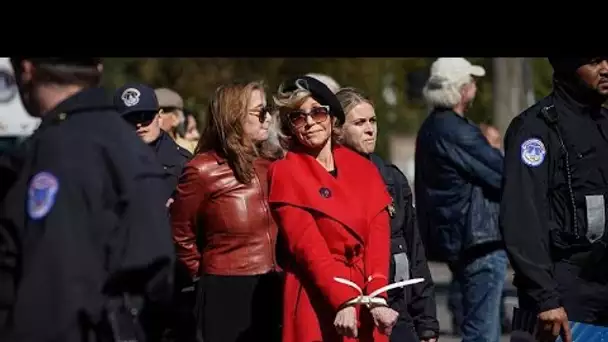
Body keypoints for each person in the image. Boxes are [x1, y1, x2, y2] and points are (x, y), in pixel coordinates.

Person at [0, 58, 174, 341]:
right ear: (99, 70)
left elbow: (51, 297)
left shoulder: (58, 152)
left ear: (27, 70)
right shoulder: (130, 146)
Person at [268, 75, 399, 342]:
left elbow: (378, 234)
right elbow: (307, 247)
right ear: (289, 126)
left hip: (365, 293)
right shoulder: (285, 172)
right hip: (315, 293)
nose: (309, 123)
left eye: (317, 112)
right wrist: (343, 299)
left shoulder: (364, 168)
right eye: (298, 117)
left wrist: (377, 295)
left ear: (332, 117)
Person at [501, 57, 608, 342]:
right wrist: (546, 298)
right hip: (562, 303)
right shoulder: (536, 129)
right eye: (595, 61)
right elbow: (522, 218)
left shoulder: (604, 125)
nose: (606, 68)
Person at [170, 80, 283, 342]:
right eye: (260, 112)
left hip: (273, 284)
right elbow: (180, 233)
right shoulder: (203, 169)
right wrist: (205, 274)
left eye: (268, 111)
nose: (268, 119)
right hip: (227, 289)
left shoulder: (273, 164)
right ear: (234, 116)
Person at [335, 87, 440, 342]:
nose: (370, 129)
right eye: (359, 123)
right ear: (336, 129)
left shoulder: (391, 179)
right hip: (352, 307)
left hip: (396, 306)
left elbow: (414, 252)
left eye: (372, 121)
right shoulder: (329, 180)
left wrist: (426, 321)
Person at [414, 57, 507, 342]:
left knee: (474, 328)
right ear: (461, 89)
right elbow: (503, 173)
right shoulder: (456, 131)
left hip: (460, 241)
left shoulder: (433, 127)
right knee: (482, 334)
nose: (475, 86)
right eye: (471, 80)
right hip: (479, 243)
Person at [113, 83, 192, 202]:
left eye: (145, 117)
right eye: (130, 119)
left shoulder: (184, 163)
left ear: (159, 117)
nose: (139, 124)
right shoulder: (106, 162)